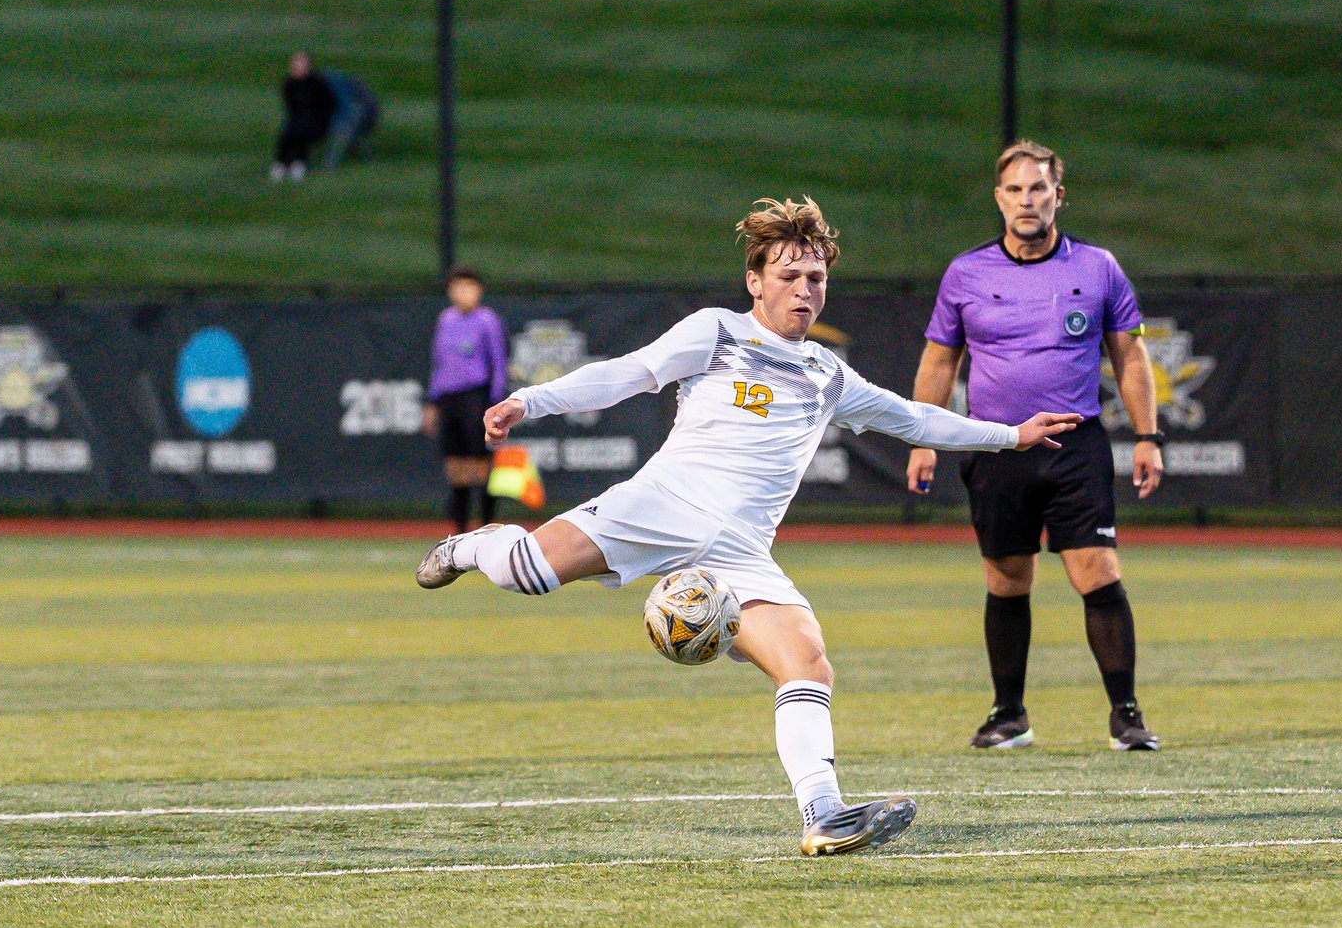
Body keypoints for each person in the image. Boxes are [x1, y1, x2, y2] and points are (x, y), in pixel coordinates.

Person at [415, 198, 1082, 858]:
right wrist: (532, 400)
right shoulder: (718, 332)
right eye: (788, 276)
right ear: (755, 282)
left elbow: (914, 419)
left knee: (807, 660)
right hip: (660, 504)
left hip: (738, 550)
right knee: (526, 572)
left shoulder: (827, 375)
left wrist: (1011, 435)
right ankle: (471, 544)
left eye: (815, 278)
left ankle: (823, 815)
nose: (803, 289)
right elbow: (629, 376)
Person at [906, 140, 1165, 753]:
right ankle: (1008, 714)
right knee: (1006, 578)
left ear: (1058, 197)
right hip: (995, 447)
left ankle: (1126, 715)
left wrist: (1148, 436)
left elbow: (1129, 356)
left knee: (1097, 572)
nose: (1027, 201)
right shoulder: (966, 272)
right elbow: (941, 358)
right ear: (999, 199)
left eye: (1039, 189)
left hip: (1075, 446)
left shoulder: (1097, 266)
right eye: (1016, 190)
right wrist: (923, 439)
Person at [426, 268, 509, 534]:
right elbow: (439, 363)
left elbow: (499, 362)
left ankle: (486, 529)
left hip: (476, 396)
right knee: (455, 465)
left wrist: (495, 402)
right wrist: (433, 401)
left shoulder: (487, 320)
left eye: (469, 287)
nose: (463, 293)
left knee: (481, 465)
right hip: (449, 399)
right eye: (458, 287)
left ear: (479, 291)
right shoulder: (445, 320)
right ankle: (459, 533)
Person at [274, 51, 337, 181]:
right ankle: (281, 163)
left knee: (302, 132)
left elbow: (329, 104)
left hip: (317, 122)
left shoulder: (317, 84)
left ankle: (299, 163)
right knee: (287, 135)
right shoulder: (289, 84)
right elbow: (291, 107)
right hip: (298, 120)